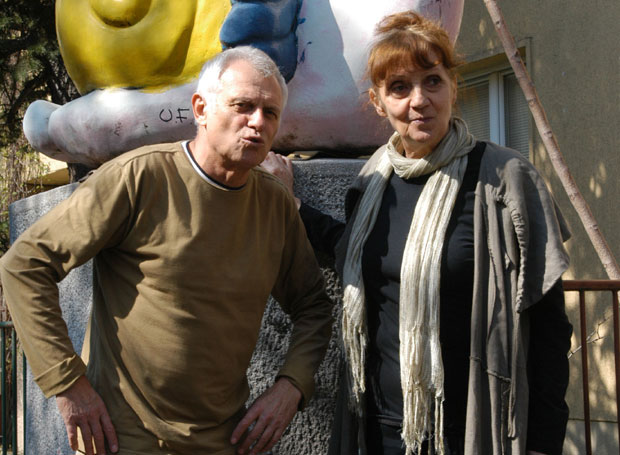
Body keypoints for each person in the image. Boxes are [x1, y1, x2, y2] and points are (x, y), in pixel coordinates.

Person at [261, 11, 572, 455]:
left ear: (453, 87)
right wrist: (290, 205)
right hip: (376, 426)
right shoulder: (373, 180)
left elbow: (550, 328)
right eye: (400, 87)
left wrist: (543, 443)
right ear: (378, 102)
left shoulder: (505, 180)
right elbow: (351, 250)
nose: (419, 100)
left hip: (470, 431)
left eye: (432, 81)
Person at [0, 46, 333, 455]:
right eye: (243, 106)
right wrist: (68, 385)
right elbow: (24, 265)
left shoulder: (275, 204)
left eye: (271, 112)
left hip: (224, 441)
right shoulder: (140, 177)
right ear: (201, 109)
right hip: (123, 440)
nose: (257, 122)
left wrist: (291, 386)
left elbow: (313, 306)